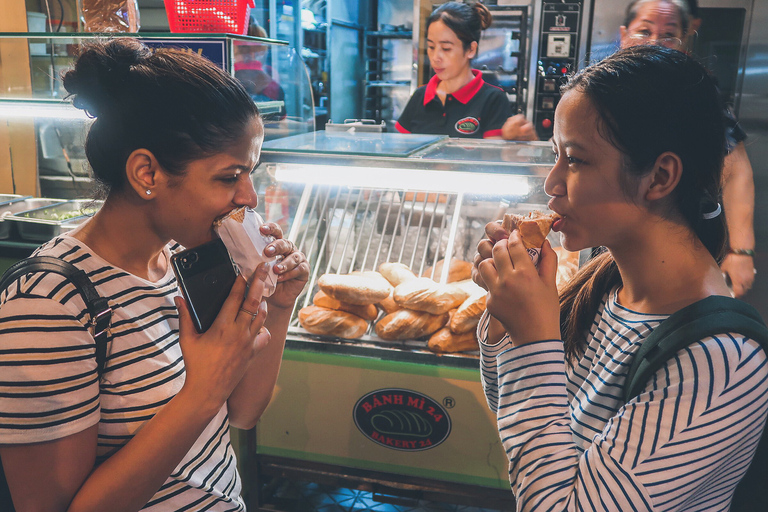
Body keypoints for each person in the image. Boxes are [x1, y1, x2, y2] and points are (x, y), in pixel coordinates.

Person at [0, 38, 308, 511]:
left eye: (251, 173)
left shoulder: (184, 260)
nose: (248, 196)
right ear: (147, 173)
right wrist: (200, 393)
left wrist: (279, 305)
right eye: (229, 176)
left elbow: (244, 414)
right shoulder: (48, 305)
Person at [472, 45, 768, 510]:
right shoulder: (606, 283)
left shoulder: (720, 362)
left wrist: (534, 339)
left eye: (575, 159)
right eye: (555, 156)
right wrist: (506, 314)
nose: (551, 183)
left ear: (660, 176)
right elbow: (511, 403)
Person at [620, 0, 756, 298]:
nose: (655, 42)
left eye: (669, 34)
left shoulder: (700, 97)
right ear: (623, 35)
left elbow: (735, 172)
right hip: (609, 244)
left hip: (679, 245)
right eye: (643, 31)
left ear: (682, 44)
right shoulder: (600, 90)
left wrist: (741, 250)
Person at [395, 1, 511, 139]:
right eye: (431, 47)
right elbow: (400, 149)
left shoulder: (493, 100)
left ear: (471, 49)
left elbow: (493, 157)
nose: (435, 57)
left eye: (446, 49)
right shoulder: (420, 97)